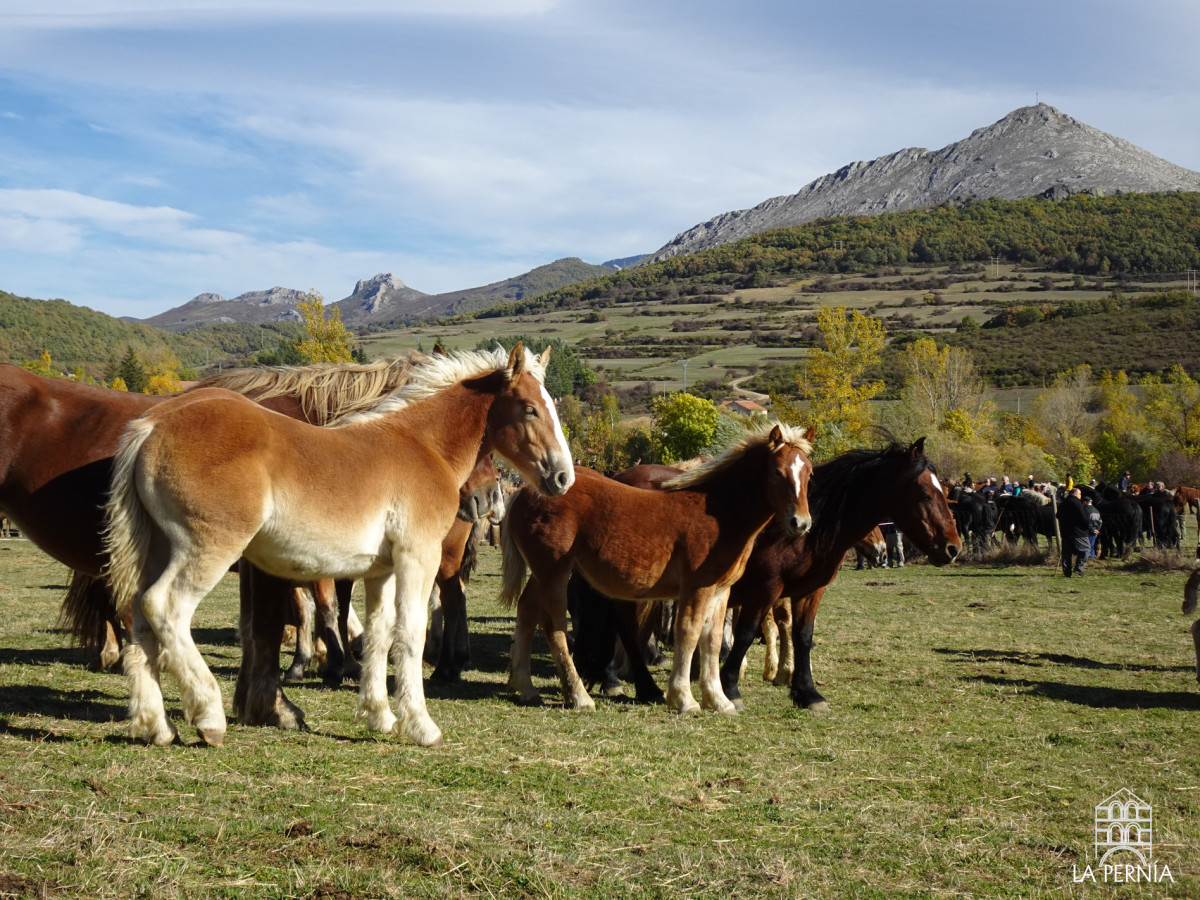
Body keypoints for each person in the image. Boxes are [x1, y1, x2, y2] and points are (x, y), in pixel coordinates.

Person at [1056, 487, 1092, 577]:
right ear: (1074, 494)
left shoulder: (1063, 503)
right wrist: (1087, 527)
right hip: (1078, 532)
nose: (1080, 496)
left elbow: (1057, 515)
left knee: (1067, 553)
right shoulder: (1077, 503)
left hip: (1065, 532)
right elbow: (1084, 518)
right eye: (1079, 494)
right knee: (1086, 549)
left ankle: (1067, 571)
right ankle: (1079, 567)